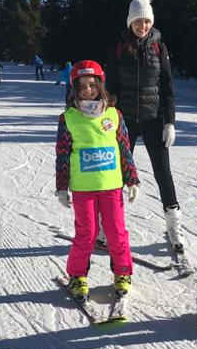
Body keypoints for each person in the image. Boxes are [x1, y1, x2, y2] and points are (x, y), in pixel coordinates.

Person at [105, 0, 185, 254]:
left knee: (163, 172)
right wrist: (106, 117)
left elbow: (167, 87)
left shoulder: (159, 47)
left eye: (147, 21)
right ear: (130, 22)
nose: (143, 26)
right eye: (138, 21)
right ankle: (107, 227)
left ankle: (174, 226)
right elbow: (111, 86)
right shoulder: (118, 48)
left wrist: (169, 121)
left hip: (154, 119)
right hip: (125, 121)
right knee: (116, 173)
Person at [55, 60, 139, 299]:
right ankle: (77, 275)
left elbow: (124, 149)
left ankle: (123, 272)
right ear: (74, 89)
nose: (88, 90)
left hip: (111, 186)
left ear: (101, 86)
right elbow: (62, 154)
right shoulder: (69, 118)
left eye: (92, 85)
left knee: (116, 232)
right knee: (87, 233)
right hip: (84, 188)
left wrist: (132, 179)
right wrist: (62, 187)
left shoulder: (113, 114)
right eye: (82, 86)